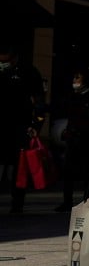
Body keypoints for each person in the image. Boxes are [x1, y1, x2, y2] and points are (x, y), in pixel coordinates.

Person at [0, 41, 45, 214]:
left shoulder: (28, 73)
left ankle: (17, 202)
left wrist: (36, 124)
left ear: (14, 58)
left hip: (20, 126)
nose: (4, 64)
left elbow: (39, 101)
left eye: (7, 60)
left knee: (18, 167)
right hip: (3, 125)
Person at [54, 67, 89, 212]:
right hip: (73, 138)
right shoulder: (72, 96)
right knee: (68, 172)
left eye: (77, 78)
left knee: (87, 172)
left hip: (87, 139)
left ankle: (87, 200)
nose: (74, 81)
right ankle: (67, 201)